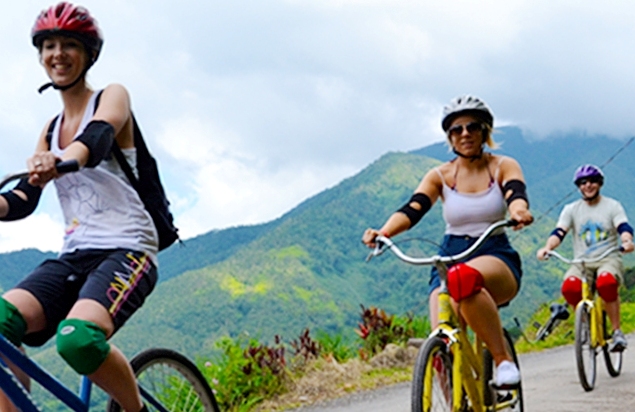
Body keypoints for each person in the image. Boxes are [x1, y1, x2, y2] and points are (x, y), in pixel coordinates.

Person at [0, 3, 157, 411]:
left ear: (89, 54)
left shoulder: (111, 96)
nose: (58, 54)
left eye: (70, 44)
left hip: (126, 249)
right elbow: (23, 198)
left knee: (78, 338)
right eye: (48, 45)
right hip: (74, 255)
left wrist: (64, 158)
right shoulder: (49, 130)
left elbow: (101, 135)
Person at [362, 95, 533, 386]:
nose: (464, 134)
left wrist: (519, 212)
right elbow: (413, 208)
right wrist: (384, 232)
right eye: (456, 129)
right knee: (441, 343)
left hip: (493, 251)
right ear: (449, 137)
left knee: (463, 279)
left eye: (472, 127)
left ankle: (503, 362)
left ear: (485, 131)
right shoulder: (440, 175)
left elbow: (515, 194)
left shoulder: (502, 166)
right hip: (449, 255)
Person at [537, 164, 633, 352]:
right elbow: (559, 232)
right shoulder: (571, 209)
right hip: (581, 262)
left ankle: (616, 332)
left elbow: (623, 227)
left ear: (599, 184)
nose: (588, 186)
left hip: (608, 258)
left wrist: (627, 241)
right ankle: (585, 325)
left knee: (606, 283)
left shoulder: (612, 206)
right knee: (570, 287)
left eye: (592, 182)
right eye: (583, 182)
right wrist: (547, 247)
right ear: (579, 186)